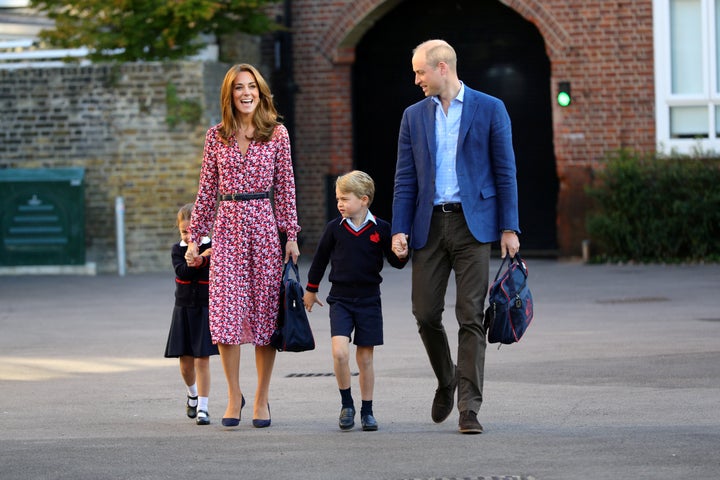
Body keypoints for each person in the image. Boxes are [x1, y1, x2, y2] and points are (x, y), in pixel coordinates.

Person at [391, 39, 521, 434]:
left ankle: (468, 407)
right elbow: (405, 178)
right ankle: (447, 379)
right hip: (427, 226)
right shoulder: (413, 116)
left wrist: (509, 227)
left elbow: (505, 172)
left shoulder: (490, 108)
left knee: (471, 315)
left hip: (473, 224)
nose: (416, 80)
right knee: (425, 313)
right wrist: (399, 227)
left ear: (442, 67)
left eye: (420, 72)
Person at [185, 63, 300, 429]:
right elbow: (206, 191)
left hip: (264, 227)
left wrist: (291, 234)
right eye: (239, 88)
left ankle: (262, 398)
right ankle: (234, 395)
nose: (246, 93)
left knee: (266, 317)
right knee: (226, 316)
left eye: (252, 86)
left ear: (261, 92)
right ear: (229, 95)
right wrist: (194, 239)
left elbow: (285, 188)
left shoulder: (277, 134)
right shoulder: (215, 136)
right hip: (228, 229)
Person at [303, 170, 407, 431]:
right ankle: (346, 404)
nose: (339, 203)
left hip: (369, 300)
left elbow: (395, 261)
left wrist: (402, 253)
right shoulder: (333, 229)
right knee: (339, 352)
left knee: (365, 359)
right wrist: (311, 290)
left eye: (345, 198)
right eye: (338, 198)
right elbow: (319, 261)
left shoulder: (381, 229)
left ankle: (368, 411)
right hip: (340, 299)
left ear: (364, 199)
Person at [164, 203, 219, 426]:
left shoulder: (213, 247)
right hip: (183, 309)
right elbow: (183, 272)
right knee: (186, 362)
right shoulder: (178, 250)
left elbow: (212, 269)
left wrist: (204, 257)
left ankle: (204, 408)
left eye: (193, 231)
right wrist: (199, 257)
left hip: (205, 308)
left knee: (202, 359)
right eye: (184, 232)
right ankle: (192, 395)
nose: (188, 236)